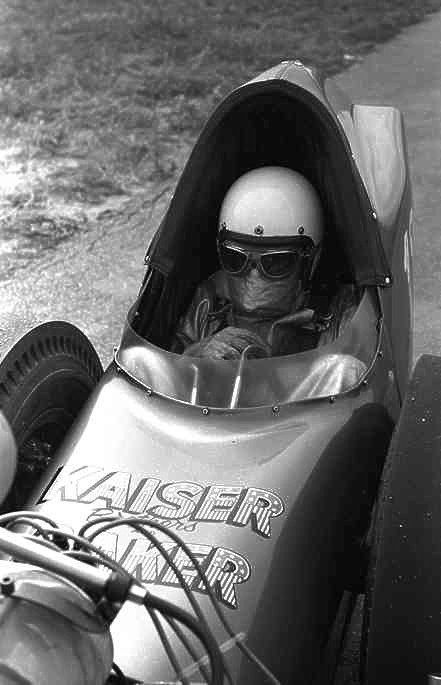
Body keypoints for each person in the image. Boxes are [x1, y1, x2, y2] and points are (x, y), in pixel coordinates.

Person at [174, 166, 331, 360]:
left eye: (275, 261)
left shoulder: (337, 311)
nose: (253, 275)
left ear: (310, 262)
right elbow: (164, 373)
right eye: (235, 258)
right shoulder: (208, 302)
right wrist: (196, 353)